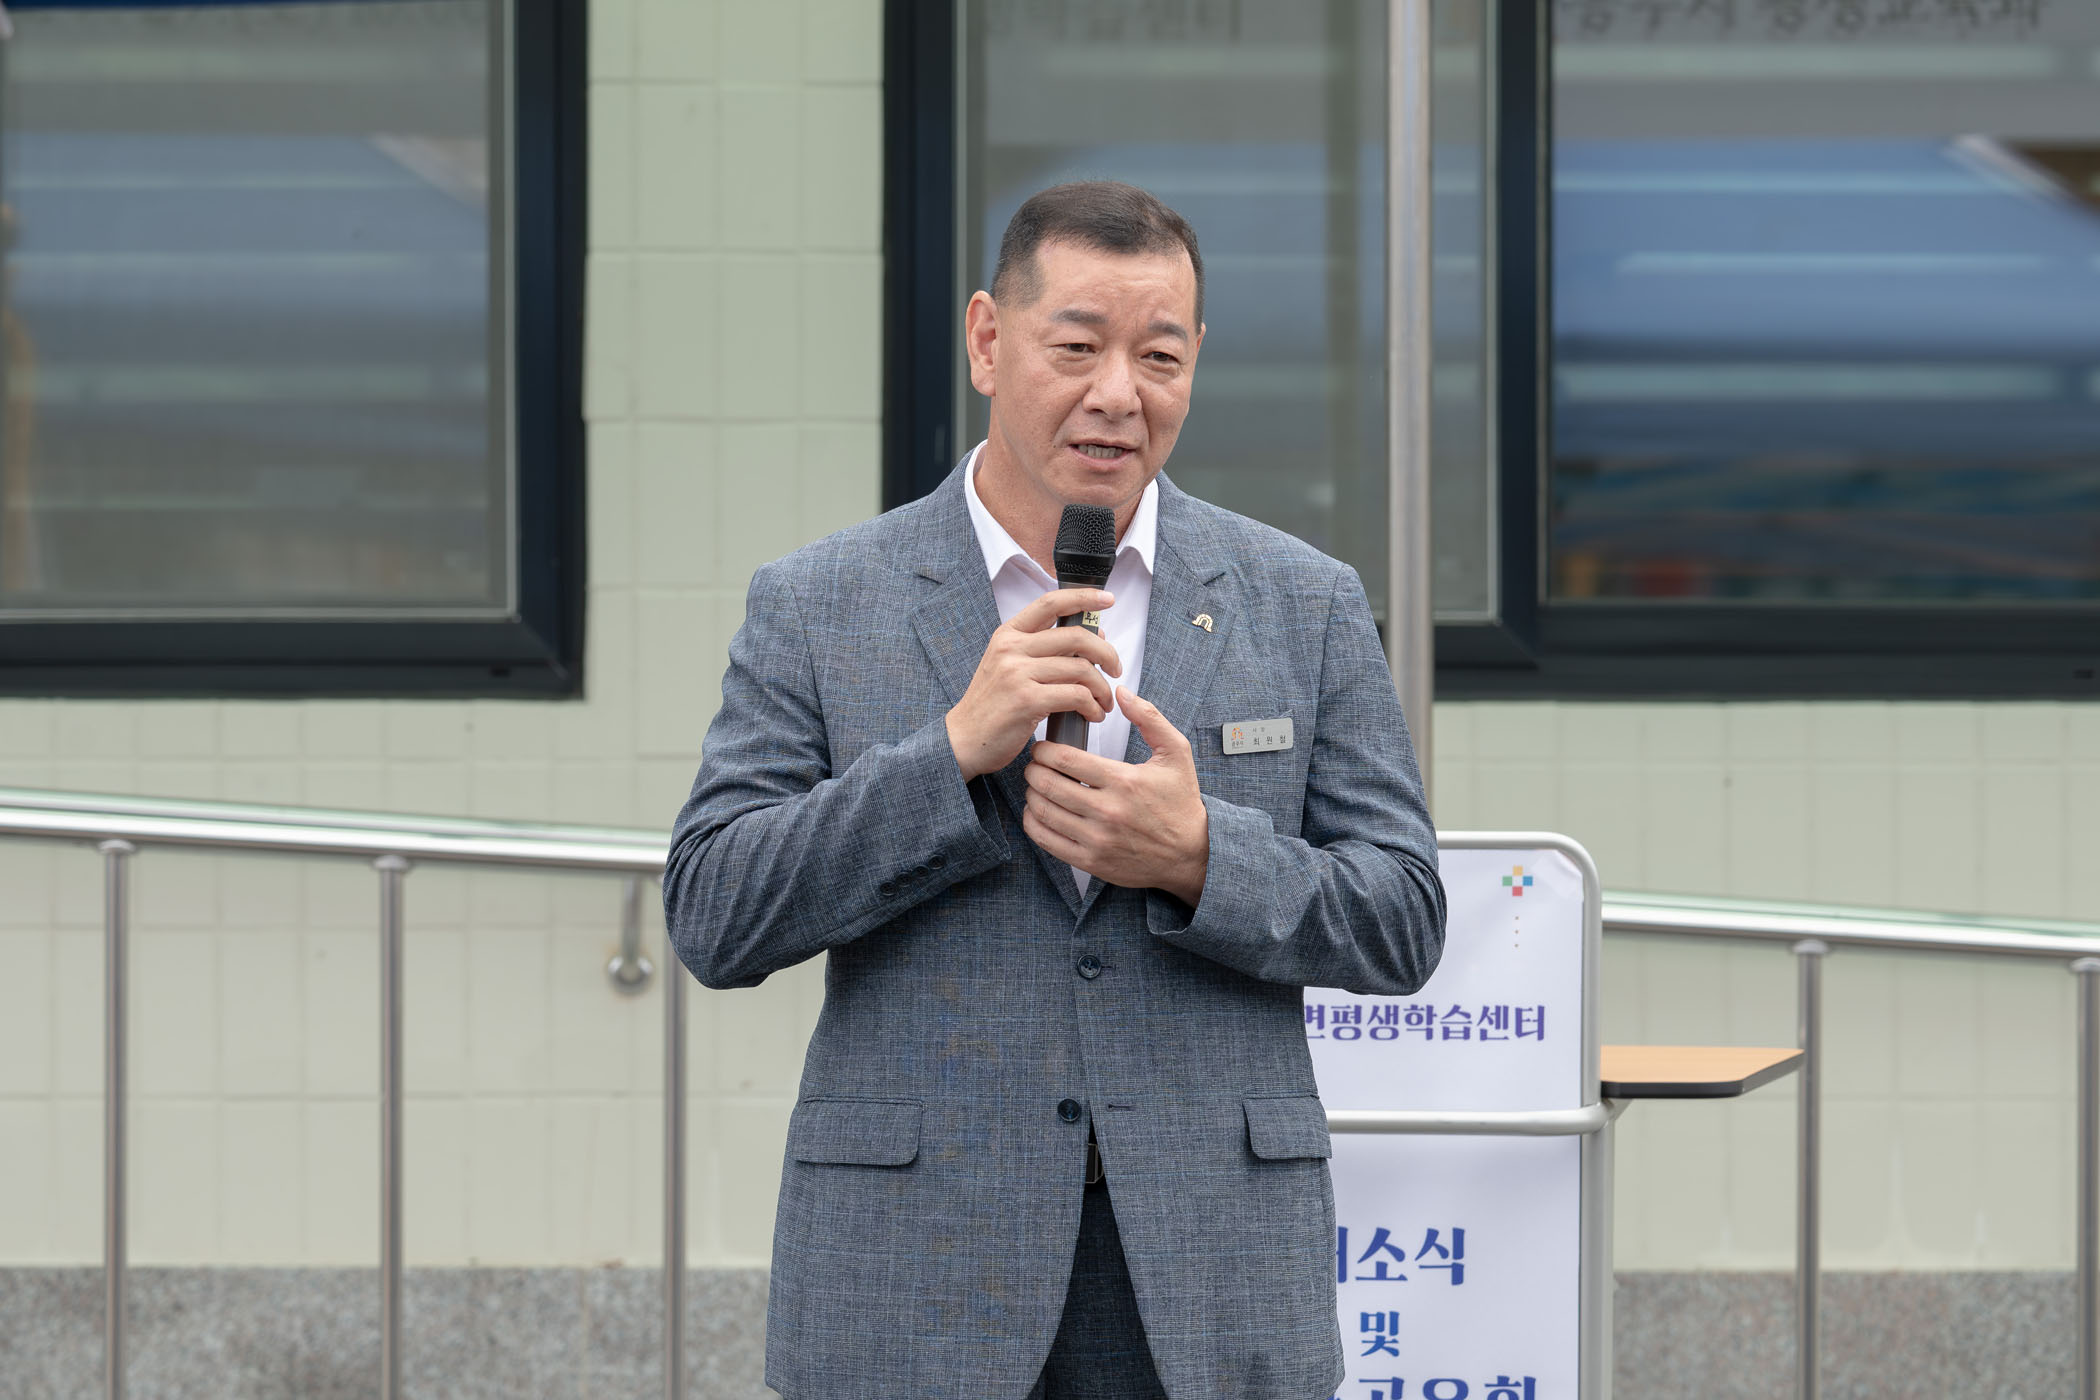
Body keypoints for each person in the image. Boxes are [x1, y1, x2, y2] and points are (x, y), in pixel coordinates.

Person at [665, 181, 1444, 1400]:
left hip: (1205, 1273)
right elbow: (716, 911)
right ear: (988, 340)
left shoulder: (1304, 601)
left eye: (1160, 357)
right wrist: (949, 754)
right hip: (913, 1273)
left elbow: (1402, 915)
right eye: (1077, 347)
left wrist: (1201, 856)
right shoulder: (820, 601)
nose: (1119, 394)